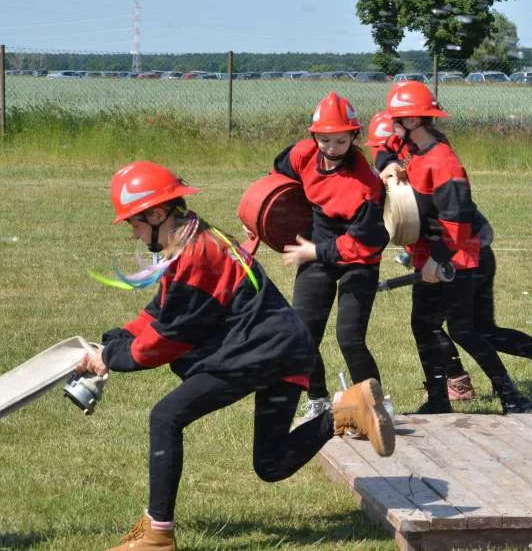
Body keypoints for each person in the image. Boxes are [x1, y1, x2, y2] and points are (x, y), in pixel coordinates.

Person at [78, 161, 394, 551]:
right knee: (272, 464)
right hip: (282, 350)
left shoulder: (196, 254)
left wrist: (112, 356)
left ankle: (157, 534)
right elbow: (161, 310)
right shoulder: (194, 239)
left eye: (135, 223)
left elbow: (168, 338)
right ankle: (346, 412)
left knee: (165, 416)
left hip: (263, 354)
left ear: (158, 213)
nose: (134, 233)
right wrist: (116, 338)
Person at [367, 110, 532, 404]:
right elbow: (383, 149)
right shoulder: (409, 147)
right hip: (445, 254)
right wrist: (387, 163)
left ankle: (509, 396)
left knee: (463, 330)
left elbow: (457, 222)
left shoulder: (442, 161)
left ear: (411, 123)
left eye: (395, 128)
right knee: (448, 327)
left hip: (462, 255)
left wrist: (437, 260)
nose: (390, 141)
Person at [270, 92, 390, 418]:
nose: (332, 148)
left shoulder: (365, 184)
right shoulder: (303, 154)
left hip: (359, 259)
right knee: (302, 335)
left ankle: (378, 407)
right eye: (324, 140)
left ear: (354, 136)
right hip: (318, 251)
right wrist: (262, 218)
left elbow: (363, 243)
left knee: (349, 337)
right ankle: (319, 401)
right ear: (314, 136)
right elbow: (277, 179)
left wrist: (314, 251)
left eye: (340, 140)